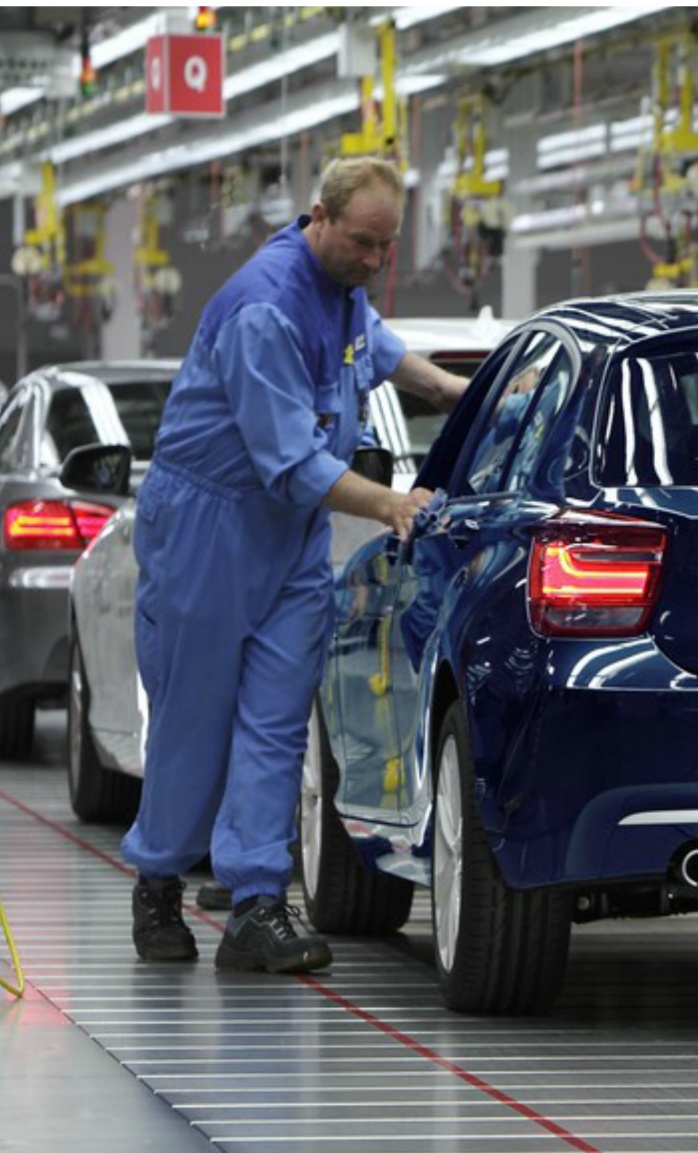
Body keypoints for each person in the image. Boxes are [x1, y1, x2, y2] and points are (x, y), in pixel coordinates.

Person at [122, 156, 470, 974]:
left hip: (290, 535)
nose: (375, 262)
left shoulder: (342, 286)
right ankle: (158, 883)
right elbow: (288, 462)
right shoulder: (264, 309)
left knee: (277, 720)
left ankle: (255, 905)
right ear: (319, 217)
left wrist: (451, 391)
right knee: (195, 716)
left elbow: (375, 350)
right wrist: (390, 505)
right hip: (210, 524)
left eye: (387, 247)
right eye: (363, 244)